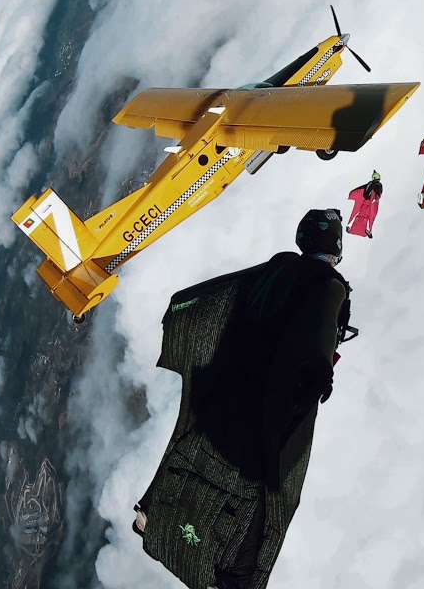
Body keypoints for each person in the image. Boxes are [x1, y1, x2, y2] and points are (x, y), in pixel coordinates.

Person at [132, 209, 356, 589]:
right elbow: (317, 346)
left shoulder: (272, 273)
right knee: (261, 507)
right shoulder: (329, 287)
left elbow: (214, 299)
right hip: (266, 418)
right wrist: (319, 379)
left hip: (224, 398)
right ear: (335, 247)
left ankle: (157, 521)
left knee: (200, 468)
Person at [346, 170, 384, 238]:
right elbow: (376, 192)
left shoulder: (374, 184)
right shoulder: (375, 184)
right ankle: (356, 229)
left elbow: (374, 192)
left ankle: (354, 229)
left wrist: (377, 196)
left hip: (366, 202)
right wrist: (377, 196)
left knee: (362, 216)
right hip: (367, 202)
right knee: (365, 216)